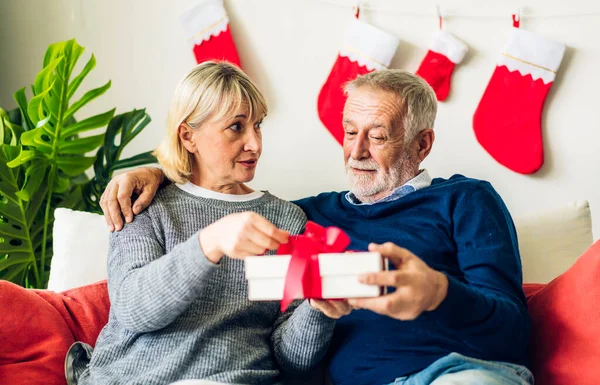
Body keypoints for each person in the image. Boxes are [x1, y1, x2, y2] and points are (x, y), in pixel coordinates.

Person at [100, 69, 533, 385]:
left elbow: (514, 332)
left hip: (452, 372)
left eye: (377, 136)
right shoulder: (309, 216)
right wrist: (157, 175)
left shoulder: (465, 200)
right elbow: (140, 298)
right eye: (348, 132)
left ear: (422, 144)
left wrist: (438, 292)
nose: (356, 151)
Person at [67, 61, 352, 385]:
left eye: (257, 126)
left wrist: (319, 310)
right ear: (188, 136)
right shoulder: (146, 202)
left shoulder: (285, 218)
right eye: (236, 127)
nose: (255, 144)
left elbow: (290, 359)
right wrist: (209, 243)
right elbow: (134, 310)